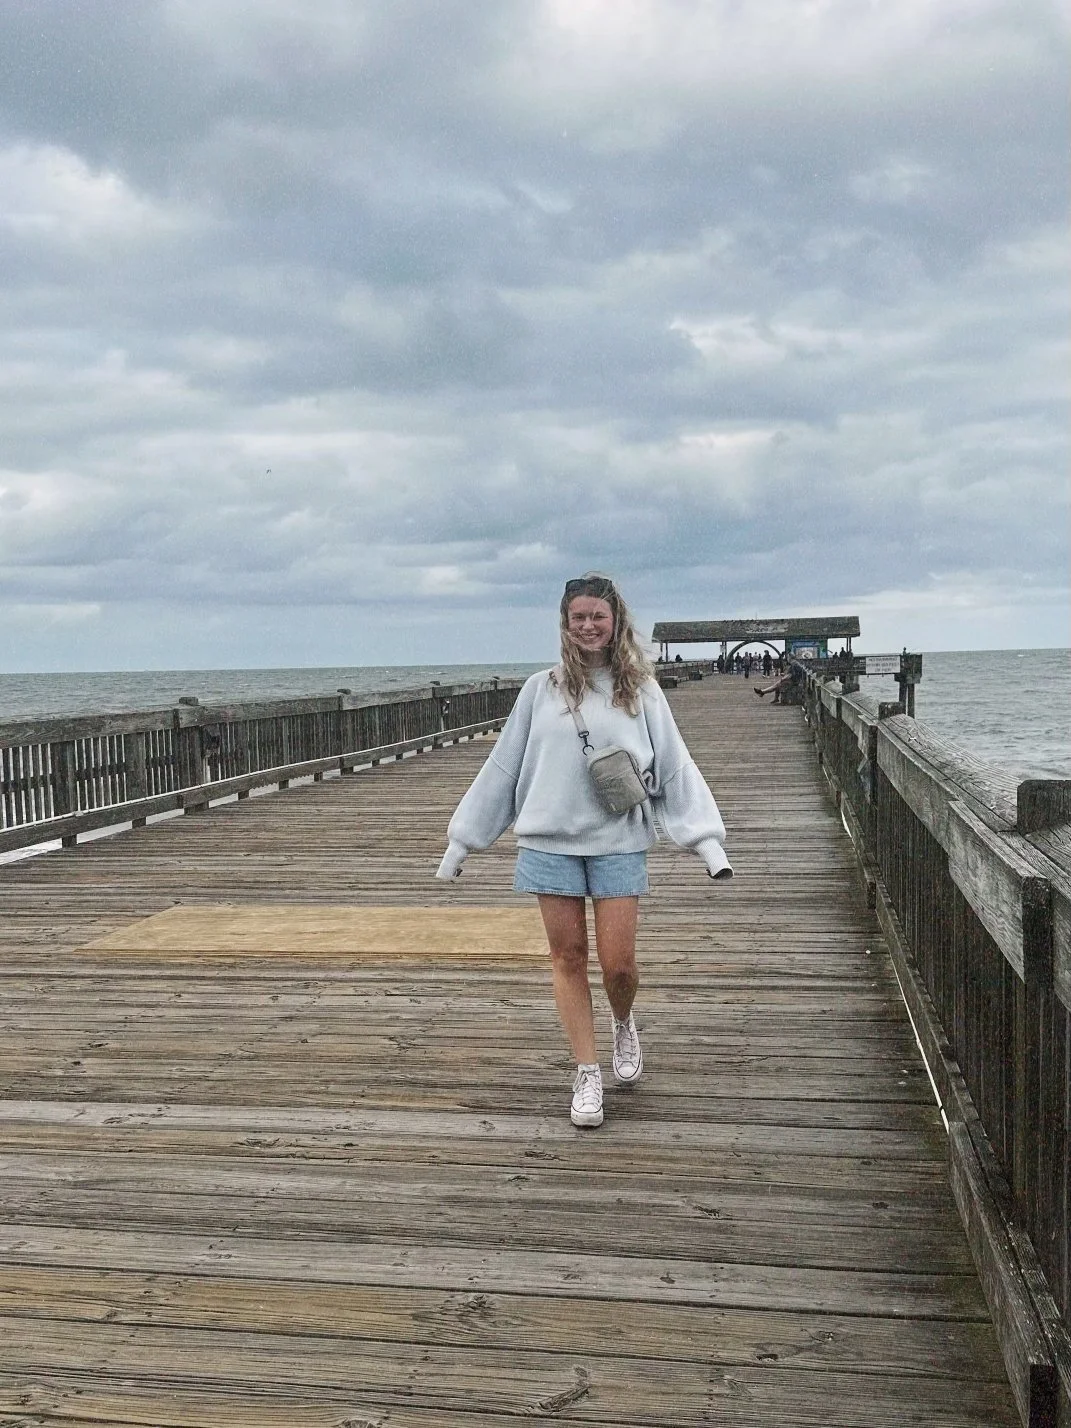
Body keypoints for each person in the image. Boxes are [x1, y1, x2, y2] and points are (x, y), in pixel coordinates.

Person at [436, 574, 733, 1129]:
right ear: (565, 624)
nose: (588, 626)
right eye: (578, 618)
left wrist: (706, 842)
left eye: (598, 616)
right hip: (548, 843)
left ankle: (623, 1022)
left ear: (615, 620)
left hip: (618, 841)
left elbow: (674, 766)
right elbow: (502, 768)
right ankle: (587, 1070)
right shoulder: (539, 690)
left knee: (619, 965)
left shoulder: (642, 690)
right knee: (567, 958)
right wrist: (463, 842)